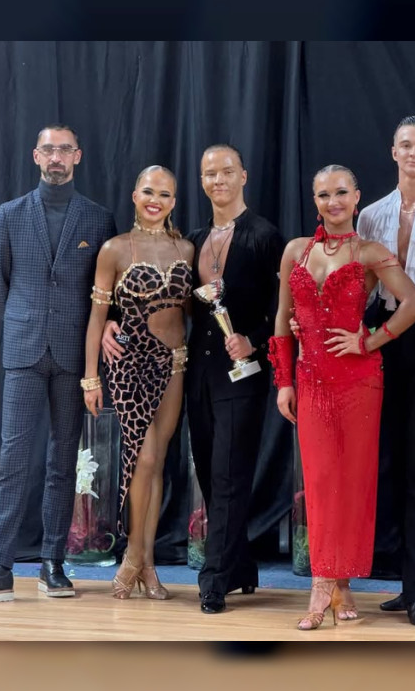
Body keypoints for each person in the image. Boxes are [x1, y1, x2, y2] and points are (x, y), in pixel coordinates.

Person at [101, 144, 284, 614]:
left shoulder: (265, 236)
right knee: (208, 472)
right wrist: (111, 321)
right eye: (209, 173)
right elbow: (166, 303)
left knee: (227, 473)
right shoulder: (193, 241)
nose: (218, 179)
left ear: (243, 175)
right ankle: (240, 565)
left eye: (226, 171)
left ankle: (214, 579)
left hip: (241, 374)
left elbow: (283, 309)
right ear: (201, 182)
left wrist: (254, 340)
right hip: (196, 373)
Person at [0, 125, 116, 604]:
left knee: (63, 462)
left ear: (78, 156)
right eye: (49, 149)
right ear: (36, 156)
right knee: (13, 458)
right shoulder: (9, 215)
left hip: (74, 356)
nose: (56, 157)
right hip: (24, 352)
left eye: (64, 149)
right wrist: (27, 320)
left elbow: (105, 292)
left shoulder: (98, 219)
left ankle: (53, 562)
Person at [268, 165, 415, 631]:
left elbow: (414, 302)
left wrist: (369, 341)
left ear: (356, 198)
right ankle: (326, 582)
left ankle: (338, 582)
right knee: (319, 479)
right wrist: (284, 382)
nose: (332, 202)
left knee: (352, 482)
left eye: (340, 193)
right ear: (314, 200)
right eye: (323, 194)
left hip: (358, 381)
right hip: (310, 379)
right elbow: (282, 319)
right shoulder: (296, 250)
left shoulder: (370, 252)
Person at [83, 165, 194, 600]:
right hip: (130, 364)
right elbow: (97, 318)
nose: (155, 200)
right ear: (134, 196)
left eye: (165, 194)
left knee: (157, 461)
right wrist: (90, 377)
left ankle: (147, 564)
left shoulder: (185, 249)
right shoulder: (114, 249)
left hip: (175, 364)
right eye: (149, 191)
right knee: (143, 459)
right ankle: (133, 555)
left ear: (174, 201)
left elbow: (194, 309)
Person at [359, 116, 415, 625]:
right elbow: (359, 286)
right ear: (393, 151)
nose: (414, 152)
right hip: (385, 335)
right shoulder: (371, 215)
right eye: (406, 144)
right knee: (394, 461)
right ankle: (408, 584)